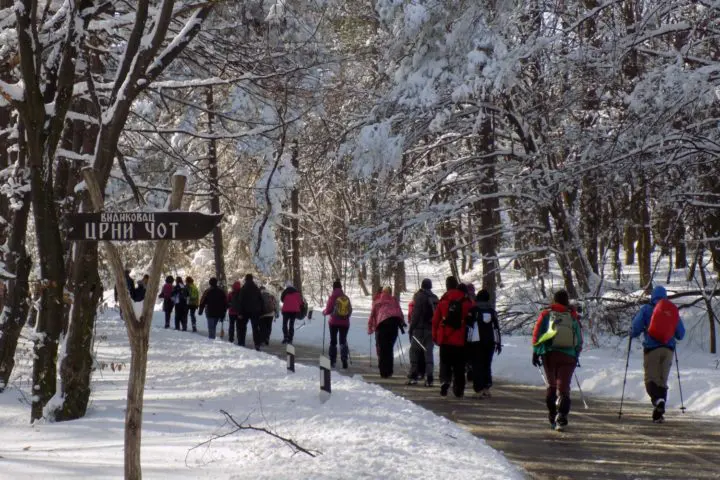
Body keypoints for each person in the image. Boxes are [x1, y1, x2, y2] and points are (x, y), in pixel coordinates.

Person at [630, 285, 685, 423]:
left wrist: (632, 333)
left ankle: (657, 400)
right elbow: (681, 334)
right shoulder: (671, 310)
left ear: (652, 296)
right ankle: (658, 414)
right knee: (662, 381)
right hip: (668, 350)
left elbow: (635, 327)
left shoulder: (647, 309)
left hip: (652, 349)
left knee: (650, 380)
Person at [532, 289, 583, 431]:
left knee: (552, 386)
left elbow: (537, 334)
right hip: (568, 356)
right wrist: (575, 354)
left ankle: (552, 414)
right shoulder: (572, 316)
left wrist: (536, 352)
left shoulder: (546, 314)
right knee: (564, 388)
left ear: (554, 300)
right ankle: (562, 415)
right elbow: (579, 339)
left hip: (549, 354)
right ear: (567, 301)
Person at [432, 276, 473, 398]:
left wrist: (435, 336)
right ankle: (459, 388)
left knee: (445, 362)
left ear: (447, 286)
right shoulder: (465, 301)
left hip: (445, 337)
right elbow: (471, 319)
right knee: (459, 365)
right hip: (460, 339)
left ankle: (445, 381)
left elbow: (435, 320)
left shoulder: (443, 300)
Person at [466, 289, 501, 398]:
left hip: (476, 342)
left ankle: (478, 389)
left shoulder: (473, 310)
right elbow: (496, 328)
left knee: (477, 365)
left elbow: (469, 328)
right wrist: (498, 343)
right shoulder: (492, 311)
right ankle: (487, 387)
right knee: (487, 364)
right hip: (490, 341)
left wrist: (467, 342)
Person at [368, 287, 406, 378]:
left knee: (382, 349)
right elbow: (400, 313)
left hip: (382, 326)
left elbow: (372, 314)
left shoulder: (378, 301)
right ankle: (389, 371)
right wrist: (402, 322)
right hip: (393, 326)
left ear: (382, 292)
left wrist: (370, 327)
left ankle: (383, 371)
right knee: (389, 348)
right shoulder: (394, 301)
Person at [407, 278, 438, 386]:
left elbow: (415, 315)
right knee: (428, 353)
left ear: (422, 285)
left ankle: (413, 376)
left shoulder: (419, 297)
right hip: (431, 329)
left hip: (419, 330)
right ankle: (429, 378)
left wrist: (411, 328)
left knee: (414, 351)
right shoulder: (435, 298)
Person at [322, 279, 352, 369]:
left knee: (333, 341)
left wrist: (324, 312)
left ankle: (332, 360)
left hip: (333, 322)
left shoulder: (332, 297)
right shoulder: (346, 297)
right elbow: (350, 310)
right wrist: (345, 317)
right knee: (343, 341)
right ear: (341, 287)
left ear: (333, 288)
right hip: (345, 323)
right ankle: (344, 359)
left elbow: (328, 310)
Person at [232, 274, 264, 350]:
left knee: (242, 327)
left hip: (244, 311)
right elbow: (261, 300)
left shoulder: (243, 289)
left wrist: (240, 312)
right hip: (255, 311)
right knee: (255, 328)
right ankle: (257, 344)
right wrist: (261, 311)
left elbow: (240, 301)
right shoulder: (256, 288)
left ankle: (241, 342)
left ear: (246, 279)